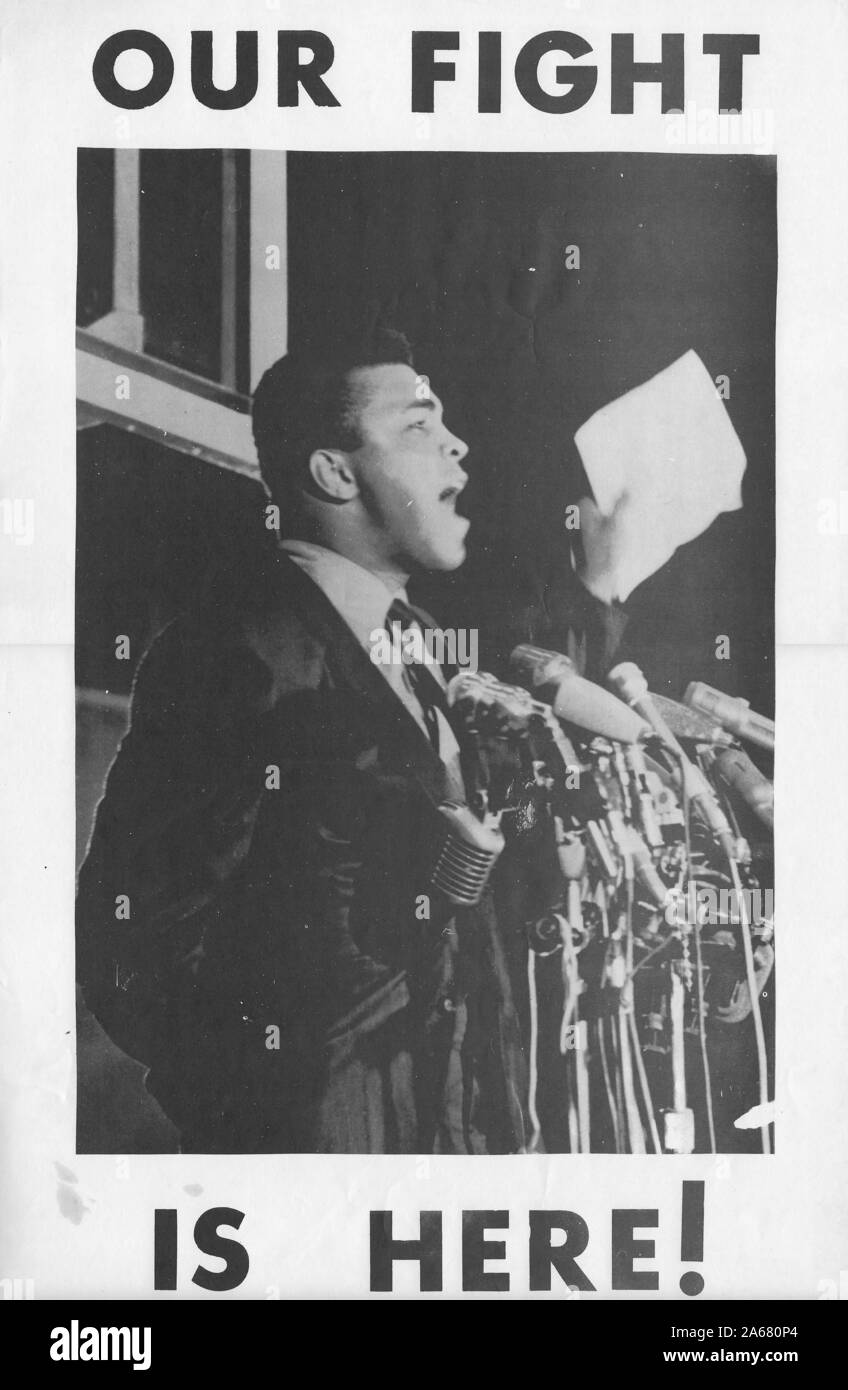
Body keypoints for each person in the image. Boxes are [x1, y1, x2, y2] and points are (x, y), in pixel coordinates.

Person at [76, 328, 628, 1153]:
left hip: (461, 1144)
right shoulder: (236, 653)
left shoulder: (428, 649)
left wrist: (605, 584)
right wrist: (286, 1102)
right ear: (333, 471)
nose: (458, 444)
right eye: (417, 425)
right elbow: (133, 944)